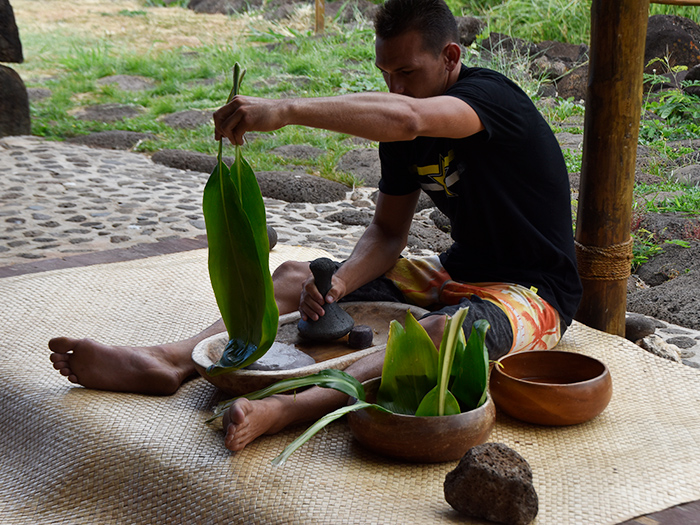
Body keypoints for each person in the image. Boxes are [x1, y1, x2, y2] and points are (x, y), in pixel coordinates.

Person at [49, 0, 582, 452]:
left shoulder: (492, 100)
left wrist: (286, 110)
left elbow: (408, 118)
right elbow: (386, 233)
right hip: (454, 273)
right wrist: (341, 284)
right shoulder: (405, 121)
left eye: (408, 73)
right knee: (296, 277)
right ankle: (172, 361)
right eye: (386, 74)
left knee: (444, 334)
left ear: (450, 57)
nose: (395, 87)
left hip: (536, 292)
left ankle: (288, 409)